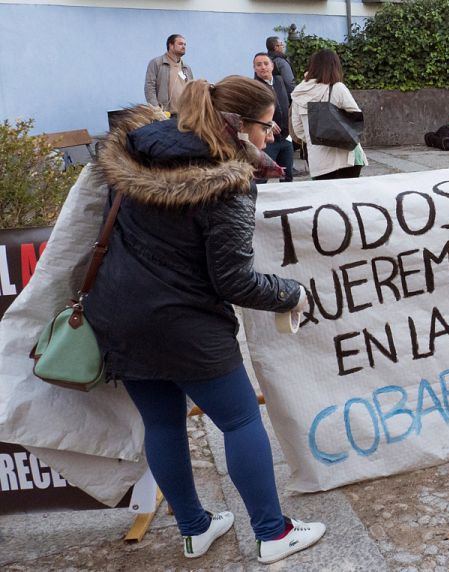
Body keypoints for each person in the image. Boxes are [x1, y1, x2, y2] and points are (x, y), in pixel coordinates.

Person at [86, 76, 325, 564]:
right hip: (185, 323)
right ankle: (272, 532)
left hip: (117, 314)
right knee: (239, 420)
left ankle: (194, 528)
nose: (273, 130)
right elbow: (234, 281)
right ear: (237, 125)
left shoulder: (138, 150)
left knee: (162, 423)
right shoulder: (227, 182)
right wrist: (291, 294)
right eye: (265, 123)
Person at [291, 49, 367, 180]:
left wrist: (317, 137)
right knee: (348, 197)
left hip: (318, 160)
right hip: (346, 157)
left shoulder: (299, 92)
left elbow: (298, 129)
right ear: (335, 66)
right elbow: (356, 118)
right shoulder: (337, 88)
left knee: (325, 198)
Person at [253, 53, 293, 182]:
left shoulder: (280, 80)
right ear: (254, 68)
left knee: (287, 176)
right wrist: (267, 122)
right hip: (266, 140)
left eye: (266, 63)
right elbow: (250, 112)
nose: (263, 67)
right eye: (258, 65)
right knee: (261, 178)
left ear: (272, 65)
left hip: (286, 138)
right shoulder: (254, 87)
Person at [144, 34, 194, 113]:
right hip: (164, 114)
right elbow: (149, 87)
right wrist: (156, 109)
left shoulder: (186, 68)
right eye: (180, 44)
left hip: (184, 115)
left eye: (185, 44)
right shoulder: (157, 63)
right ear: (171, 45)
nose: (184, 46)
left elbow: (192, 90)